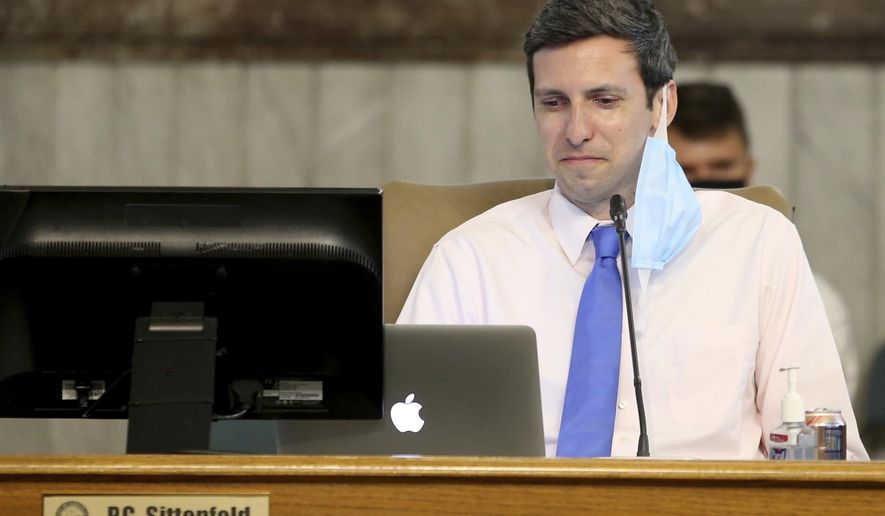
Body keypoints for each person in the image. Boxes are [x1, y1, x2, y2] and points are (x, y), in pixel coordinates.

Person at [398, 0, 867, 460]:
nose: (576, 130)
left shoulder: (760, 244)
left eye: (604, 101)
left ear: (662, 105)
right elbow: (403, 456)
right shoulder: (469, 258)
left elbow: (829, 463)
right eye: (554, 103)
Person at [669, 82, 861, 399]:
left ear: (749, 168)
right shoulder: (628, 288)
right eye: (685, 171)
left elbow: (817, 429)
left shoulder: (812, 300)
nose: (706, 185)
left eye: (722, 168)